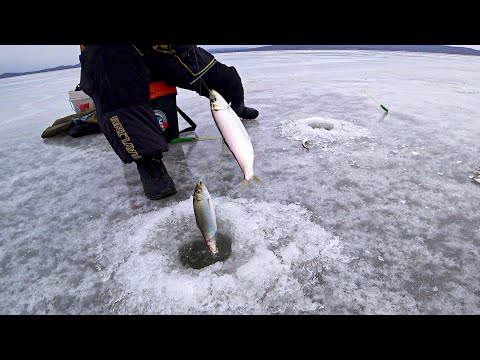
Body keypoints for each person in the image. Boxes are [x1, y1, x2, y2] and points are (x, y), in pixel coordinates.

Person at [78, 45, 259, 200]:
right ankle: (149, 163)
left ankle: (236, 110)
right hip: (115, 57)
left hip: (160, 49)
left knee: (224, 78)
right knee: (117, 89)